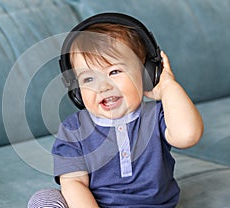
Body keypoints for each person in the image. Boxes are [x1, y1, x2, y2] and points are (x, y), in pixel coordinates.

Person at [28, 13, 203, 208]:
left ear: (147, 73)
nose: (103, 87)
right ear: (76, 90)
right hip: (93, 205)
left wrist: (168, 86)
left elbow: (188, 135)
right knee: (45, 199)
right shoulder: (73, 129)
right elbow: (74, 183)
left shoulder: (157, 115)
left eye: (114, 72)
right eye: (88, 79)